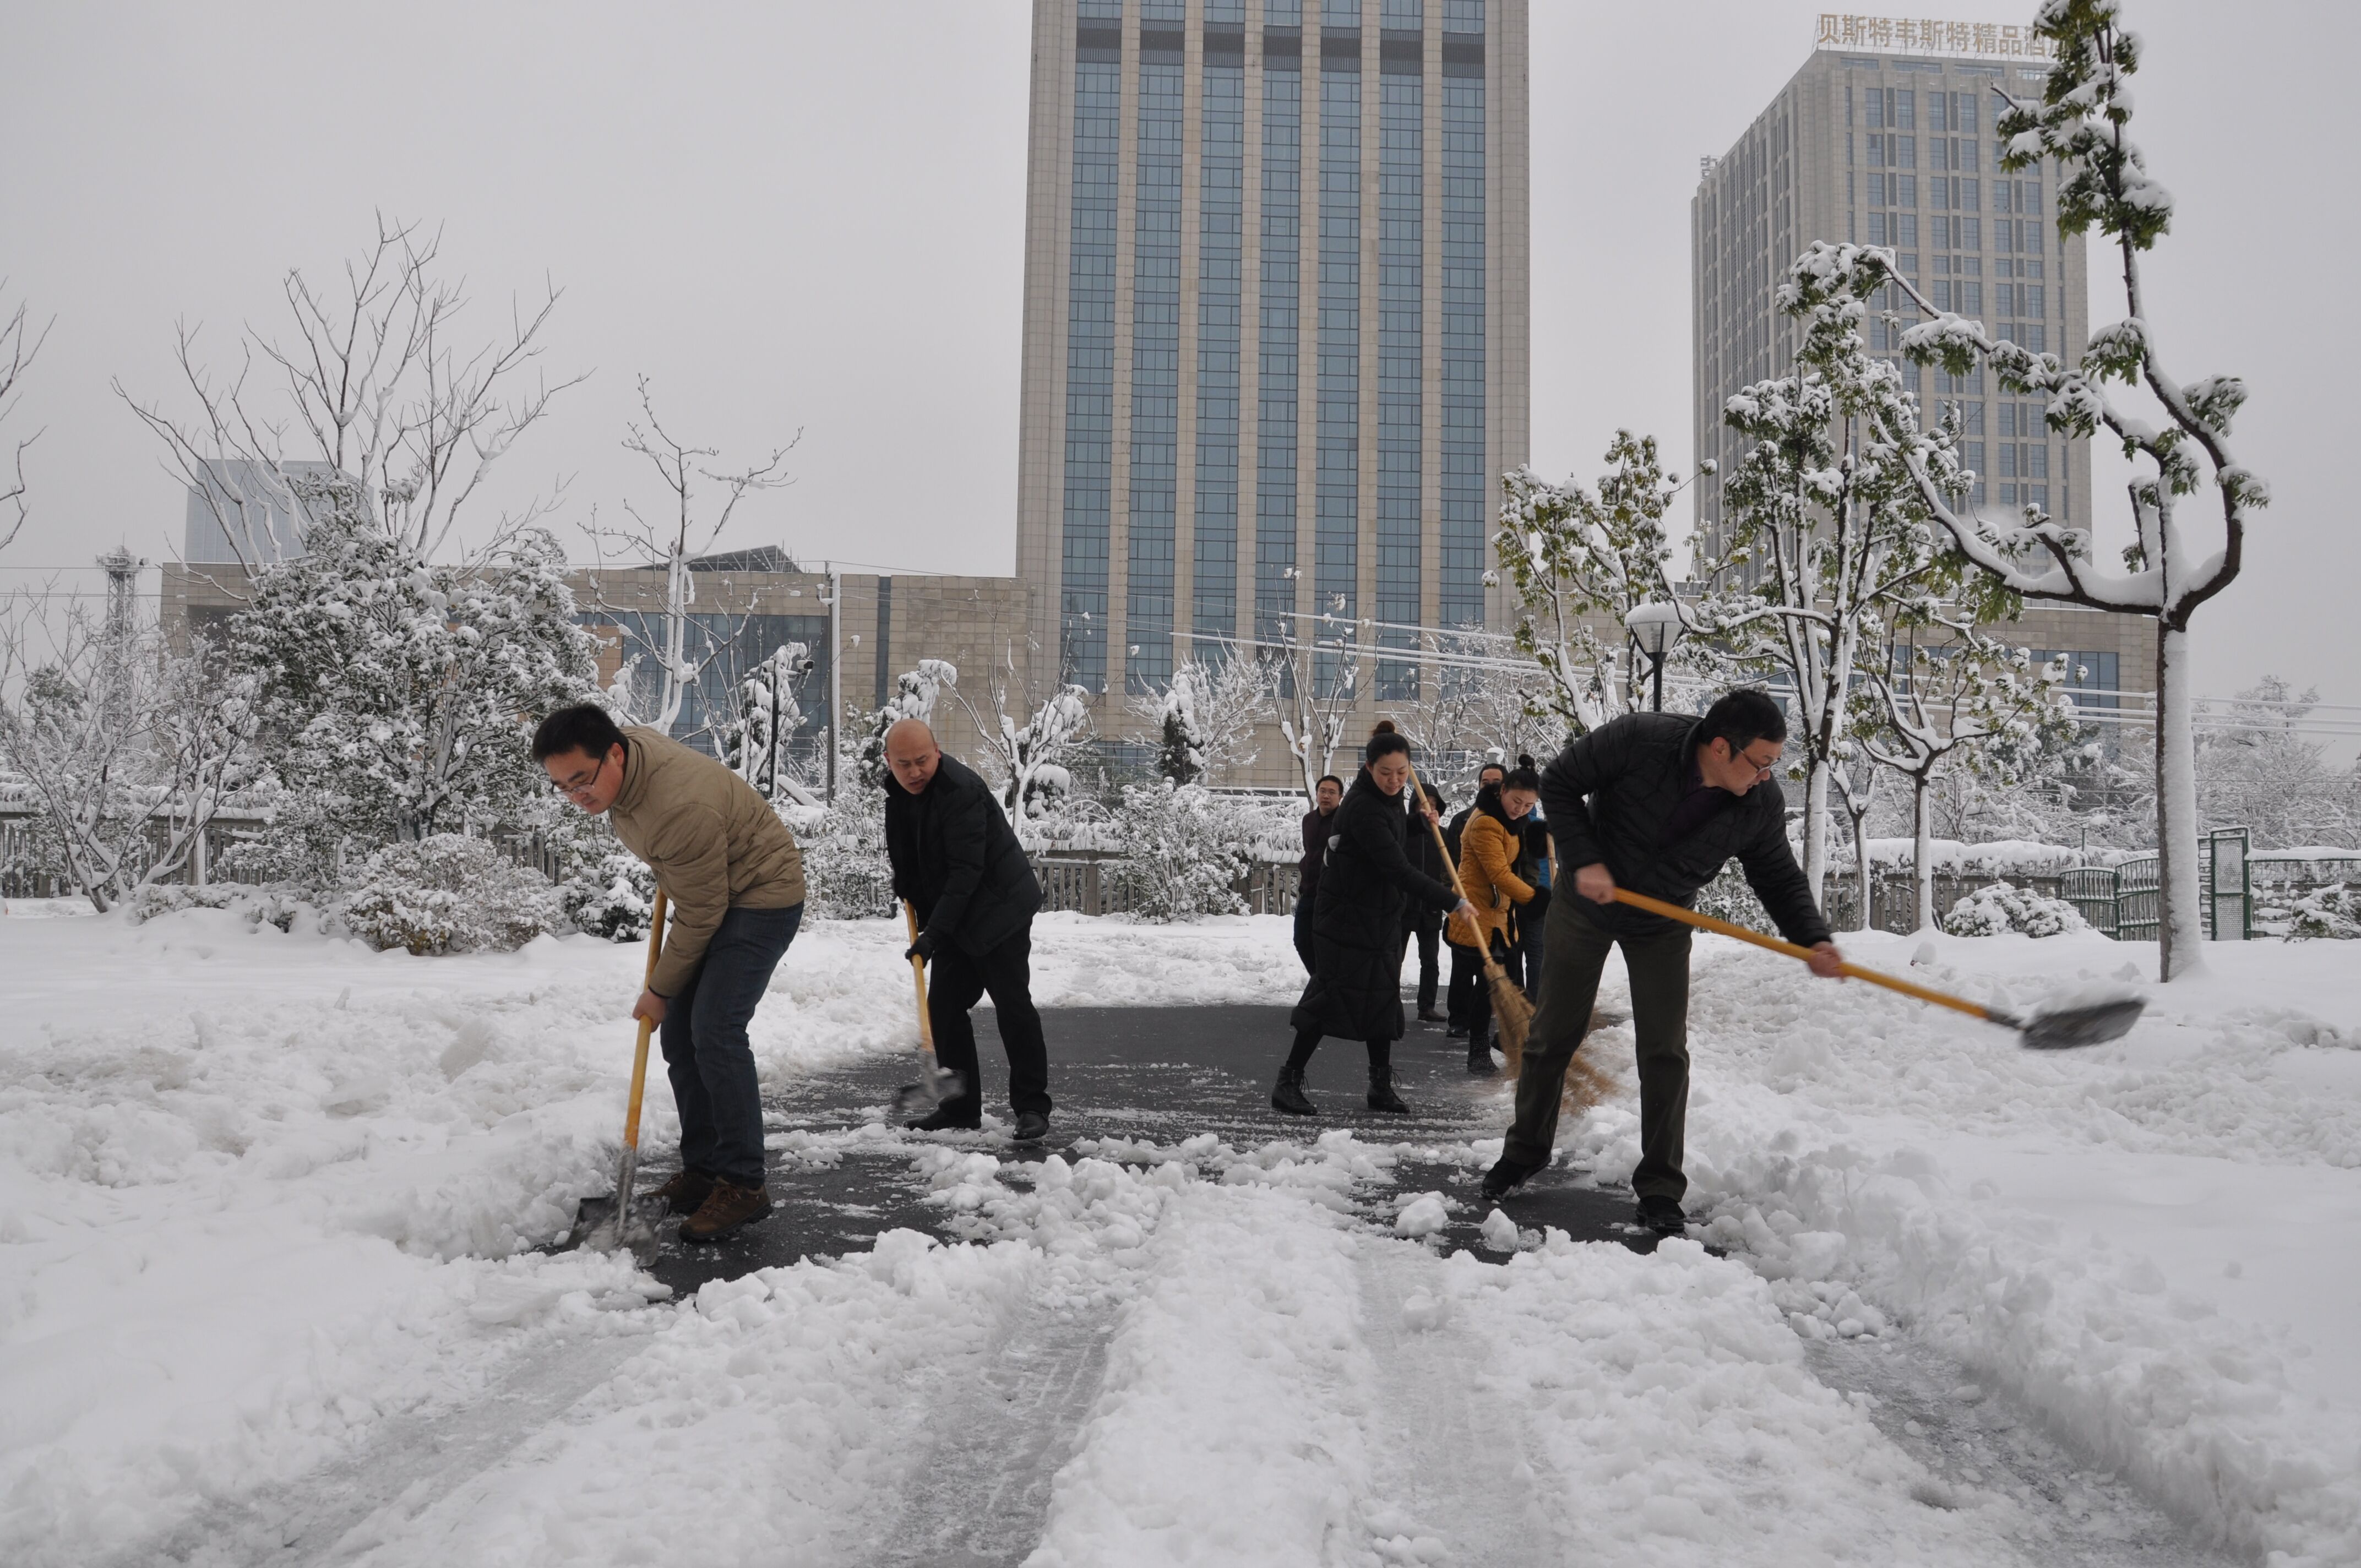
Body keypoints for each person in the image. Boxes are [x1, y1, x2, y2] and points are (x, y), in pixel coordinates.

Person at [1479, 689, 1846, 1234]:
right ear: (1721, 747)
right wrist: (1587, 862)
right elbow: (1559, 783)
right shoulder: (1640, 739)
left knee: (1664, 1051)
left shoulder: (1758, 803)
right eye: (1762, 762)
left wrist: (1812, 936)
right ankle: (1526, 1150)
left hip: (1662, 918)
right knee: (1552, 1033)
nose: (1769, 775)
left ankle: (1659, 1188)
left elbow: (1775, 874)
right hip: (1585, 903)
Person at [534, 703, 806, 1243]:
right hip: (714, 890)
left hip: (761, 896)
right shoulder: (626, 762)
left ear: (615, 753)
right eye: (562, 786)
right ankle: (704, 1171)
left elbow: (705, 912)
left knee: (715, 1028)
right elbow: (697, 891)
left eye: (581, 780)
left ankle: (744, 1183)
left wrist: (658, 989)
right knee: (682, 1035)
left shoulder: (677, 806)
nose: (576, 796)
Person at [1271, 722, 1475, 1118]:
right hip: (1346, 920)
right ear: (1368, 768)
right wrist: (1451, 900)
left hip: (1378, 917)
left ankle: (1380, 1086)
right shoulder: (1363, 808)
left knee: (1381, 1001)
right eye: (1386, 773)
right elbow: (1397, 868)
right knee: (1330, 998)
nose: (1395, 780)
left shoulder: (1391, 800)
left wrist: (1419, 821)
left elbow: (1394, 833)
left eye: (1402, 773)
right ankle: (1287, 1081)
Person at [882, 718, 1053, 1142]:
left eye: (922, 760)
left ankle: (1032, 1107)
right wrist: (906, 886)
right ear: (890, 762)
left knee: (1012, 1006)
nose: (915, 771)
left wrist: (933, 935)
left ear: (937, 752)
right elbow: (908, 854)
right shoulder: (898, 794)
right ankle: (959, 1108)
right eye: (904, 764)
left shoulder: (960, 793)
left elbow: (966, 874)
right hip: (956, 914)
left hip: (999, 911)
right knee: (943, 1006)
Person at [1451, 760, 1542, 1075]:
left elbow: (1517, 860)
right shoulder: (1486, 823)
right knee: (1488, 984)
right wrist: (1535, 897)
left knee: (1510, 978)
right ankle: (1477, 1049)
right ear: (1502, 791)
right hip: (1476, 912)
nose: (1521, 809)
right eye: (1516, 801)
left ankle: (1505, 1038)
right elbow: (1499, 872)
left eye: (1529, 805)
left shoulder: (1509, 820)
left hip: (1501, 915)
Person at [1443, 760, 1506, 1037]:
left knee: (1496, 964)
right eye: (1485, 782)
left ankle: (1489, 1014)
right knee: (1461, 965)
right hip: (1466, 904)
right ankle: (1459, 1018)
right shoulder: (1462, 820)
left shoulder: (1514, 820)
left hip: (1500, 909)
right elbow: (1452, 864)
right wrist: (1452, 897)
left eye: (1496, 783)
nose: (1490, 787)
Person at [1402, 775, 1450, 1024]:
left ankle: (1427, 1006)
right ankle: (1387, 1003)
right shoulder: (1404, 833)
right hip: (1403, 906)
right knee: (1393, 958)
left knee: (1430, 961)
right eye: (1422, 803)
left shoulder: (1443, 836)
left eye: (1432, 804)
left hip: (1430, 908)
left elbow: (1452, 869)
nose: (1427, 808)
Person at [1293, 774, 1345, 972]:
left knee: (1327, 944)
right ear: (1316, 794)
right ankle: (1320, 981)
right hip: (1308, 891)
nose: (1326, 796)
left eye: (1332, 792)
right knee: (1301, 940)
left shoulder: (1343, 822)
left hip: (1332, 896)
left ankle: (1326, 984)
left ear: (1340, 797)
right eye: (1323, 791)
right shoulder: (1308, 820)